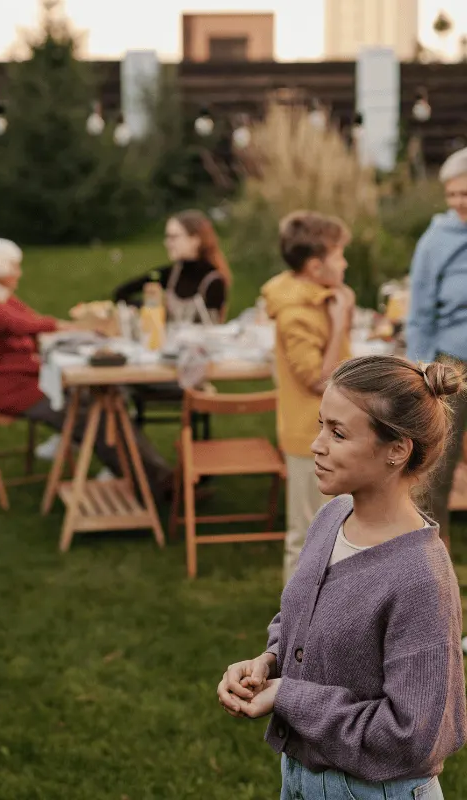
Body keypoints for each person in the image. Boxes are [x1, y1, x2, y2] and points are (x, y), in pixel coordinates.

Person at [217, 355, 467, 800]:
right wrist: (268, 662)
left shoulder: (420, 579)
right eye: (321, 426)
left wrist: (287, 696)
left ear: (397, 449)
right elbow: (304, 619)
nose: (316, 445)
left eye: (338, 433)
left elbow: (412, 736)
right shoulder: (332, 517)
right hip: (299, 775)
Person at [0, 237, 174, 499]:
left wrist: (66, 328)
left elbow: (32, 320)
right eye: (15, 267)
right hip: (10, 390)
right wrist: (75, 328)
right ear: (0, 270)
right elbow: (24, 324)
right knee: (94, 414)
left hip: (28, 381)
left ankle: (149, 476)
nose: (19, 272)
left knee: (102, 403)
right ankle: (152, 482)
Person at [261, 210, 353, 584]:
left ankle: (331, 614)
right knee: (307, 535)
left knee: (335, 528)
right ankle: (292, 630)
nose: (345, 262)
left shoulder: (321, 298)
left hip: (331, 429)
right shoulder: (296, 313)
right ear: (316, 266)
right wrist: (340, 321)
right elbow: (320, 379)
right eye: (339, 255)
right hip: (308, 436)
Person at [406, 146, 467, 549]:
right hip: (452, 362)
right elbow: (420, 310)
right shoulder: (436, 240)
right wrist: (423, 366)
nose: (460, 202)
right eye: (453, 195)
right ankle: (427, 555)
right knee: (436, 466)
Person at [113, 209, 232, 322]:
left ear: (195, 240)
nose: (167, 243)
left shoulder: (213, 281)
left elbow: (212, 331)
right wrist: (149, 309)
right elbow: (122, 292)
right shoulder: (170, 274)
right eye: (167, 237)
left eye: (174, 237)